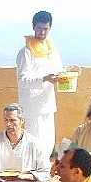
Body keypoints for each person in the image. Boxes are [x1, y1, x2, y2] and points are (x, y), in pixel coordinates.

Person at [16, 11, 63, 158]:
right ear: (33, 27)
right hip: (32, 106)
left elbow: (58, 70)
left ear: (50, 28)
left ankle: (43, 170)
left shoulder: (51, 49)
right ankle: (32, 170)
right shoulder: (26, 52)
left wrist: (69, 71)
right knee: (34, 143)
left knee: (48, 142)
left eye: (46, 29)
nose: (42, 32)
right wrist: (44, 79)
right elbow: (23, 79)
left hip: (48, 103)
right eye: (39, 28)